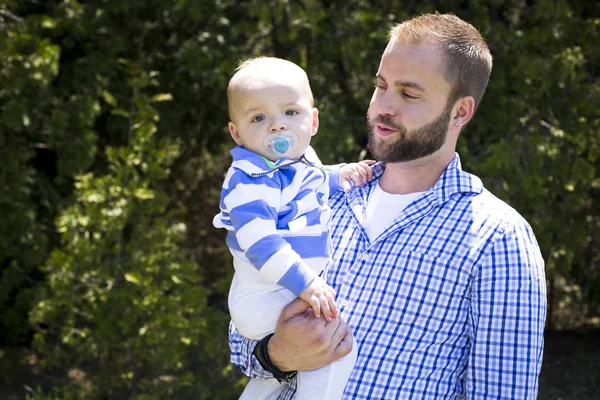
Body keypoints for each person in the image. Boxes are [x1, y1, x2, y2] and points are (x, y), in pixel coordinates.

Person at [229, 13, 547, 399]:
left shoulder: (499, 239)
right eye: (381, 86)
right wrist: (276, 354)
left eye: (409, 94)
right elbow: (242, 343)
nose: (384, 106)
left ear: (460, 111)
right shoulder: (320, 193)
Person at [213, 57, 373, 399]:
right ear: (236, 133)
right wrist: (308, 284)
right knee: (332, 350)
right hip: (266, 295)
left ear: (312, 121)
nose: (277, 126)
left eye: (290, 113)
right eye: (258, 117)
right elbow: (260, 243)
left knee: (281, 372)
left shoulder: (295, 163)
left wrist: (340, 175)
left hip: (281, 292)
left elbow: (309, 182)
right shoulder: (249, 178)